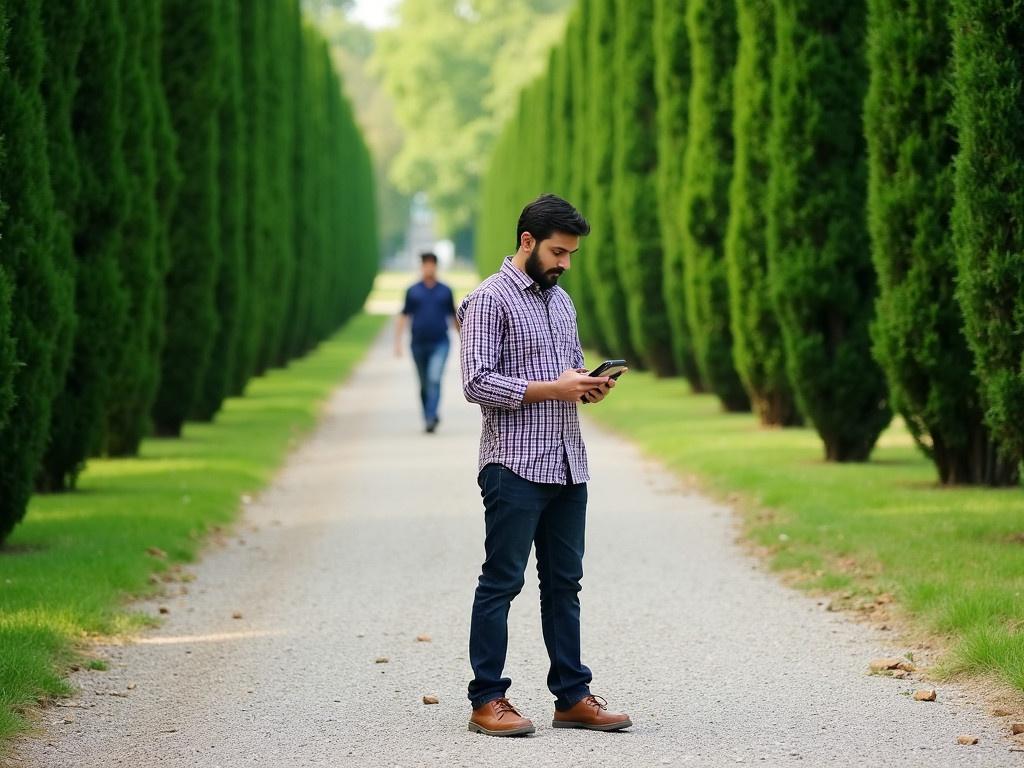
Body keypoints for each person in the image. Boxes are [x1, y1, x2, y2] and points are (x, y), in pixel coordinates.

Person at [458, 193, 632, 737]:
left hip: (565, 463)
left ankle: (572, 697)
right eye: (558, 251)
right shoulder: (489, 301)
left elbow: (562, 373)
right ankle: (487, 699)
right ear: (527, 242)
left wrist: (585, 386)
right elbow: (477, 381)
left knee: (564, 585)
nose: (565, 263)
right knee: (501, 582)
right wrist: (553, 388)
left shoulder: (562, 301)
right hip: (512, 465)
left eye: (571, 254)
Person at [394, 252, 459, 433]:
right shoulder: (413, 291)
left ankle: (431, 417)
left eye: (432, 264)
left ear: (436, 267)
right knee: (424, 383)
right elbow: (404, 315)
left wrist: (465, 342)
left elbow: (454, 317)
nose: (429, 268)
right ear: (422, 267)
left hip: (440, 342)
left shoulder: (445, 290)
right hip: (418, 344)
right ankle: (428, 413)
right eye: (426, 265)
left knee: (434, 377)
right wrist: (397, 342)